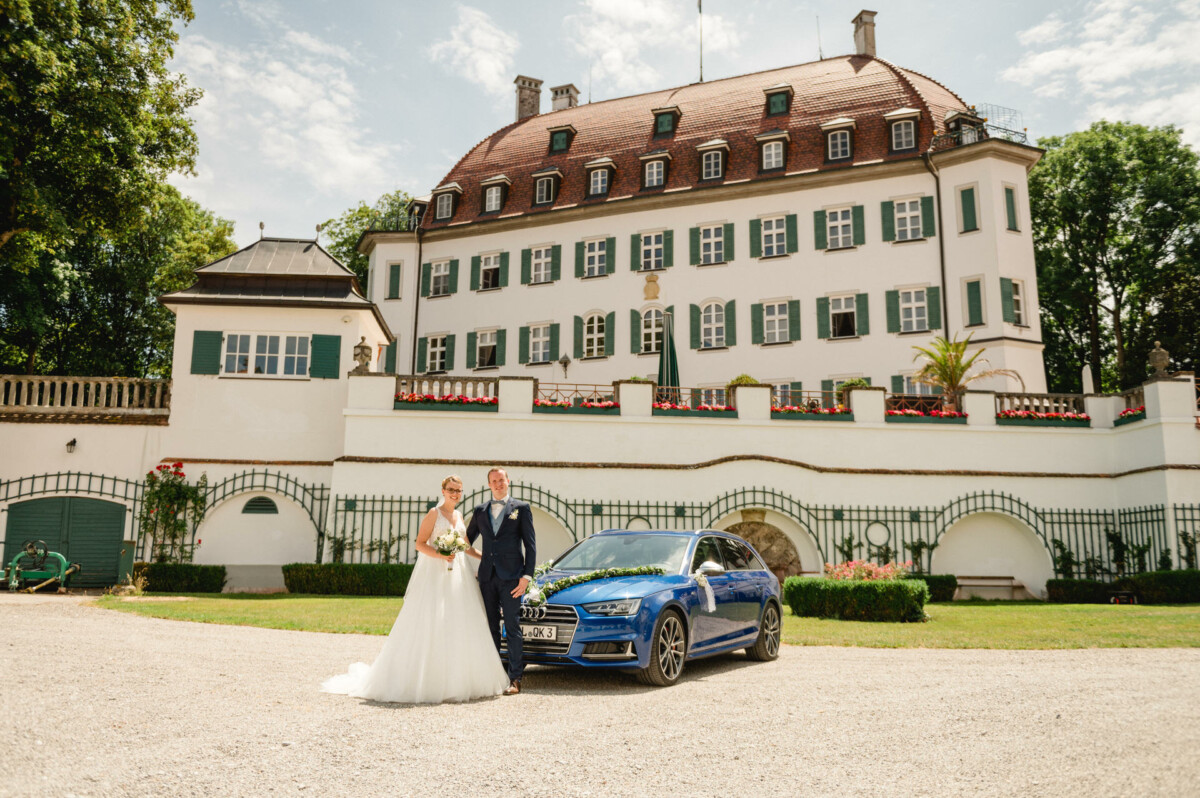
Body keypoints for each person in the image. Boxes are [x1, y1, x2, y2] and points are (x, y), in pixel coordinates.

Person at [320, 475, 509, 704]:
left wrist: (488, 558)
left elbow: (465, 546)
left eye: (458, 490)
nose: (455, 494)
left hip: (458, 575)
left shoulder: (459, 516)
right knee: (431, 621)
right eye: (451, 489)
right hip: (436, 573)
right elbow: (420, 544)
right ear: (443, 490)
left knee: (459, 621)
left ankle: (458, 679)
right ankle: (426, 680)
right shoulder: (434, 514)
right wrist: (440, 554)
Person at [465, 466, 537, 695]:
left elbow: (530, 546)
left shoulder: (521, 509)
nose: (498, 484)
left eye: (501, 480)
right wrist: (447, 544)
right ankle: (494, 677)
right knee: (490, 627)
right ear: (489, 484)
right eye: (494, 481)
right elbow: (466, 541)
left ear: (508, 481)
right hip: (487, 577)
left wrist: (526, 577)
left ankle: (515, 678)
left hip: (513, 578)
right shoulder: (480, 510)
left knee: (513, 627)